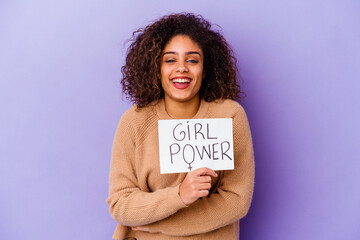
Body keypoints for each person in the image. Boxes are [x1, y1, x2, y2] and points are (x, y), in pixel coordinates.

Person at [106, 13, 254, 240]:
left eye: (192, 60)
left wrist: (158, 226)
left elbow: (236, 200)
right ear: (156, 68)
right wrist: (179, 195)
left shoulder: (229, 116)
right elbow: (120, 204)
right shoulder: (133, 122)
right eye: (170, 60)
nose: (182, 68)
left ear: (205, 70)